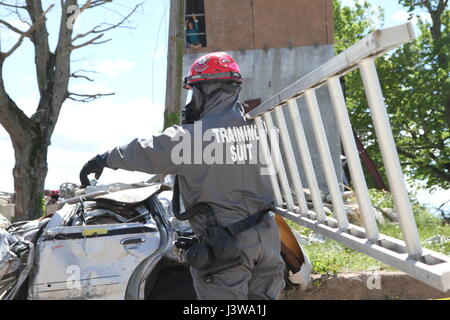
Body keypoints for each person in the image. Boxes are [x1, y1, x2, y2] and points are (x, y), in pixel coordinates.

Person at [79, 52, 285, 300]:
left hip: (226, 249)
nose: (191, 101)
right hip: (269, 242)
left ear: (207, 90)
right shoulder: (265, 133)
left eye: (194, 92)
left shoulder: (190, 138)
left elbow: (145, 150)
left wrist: (104, 159)